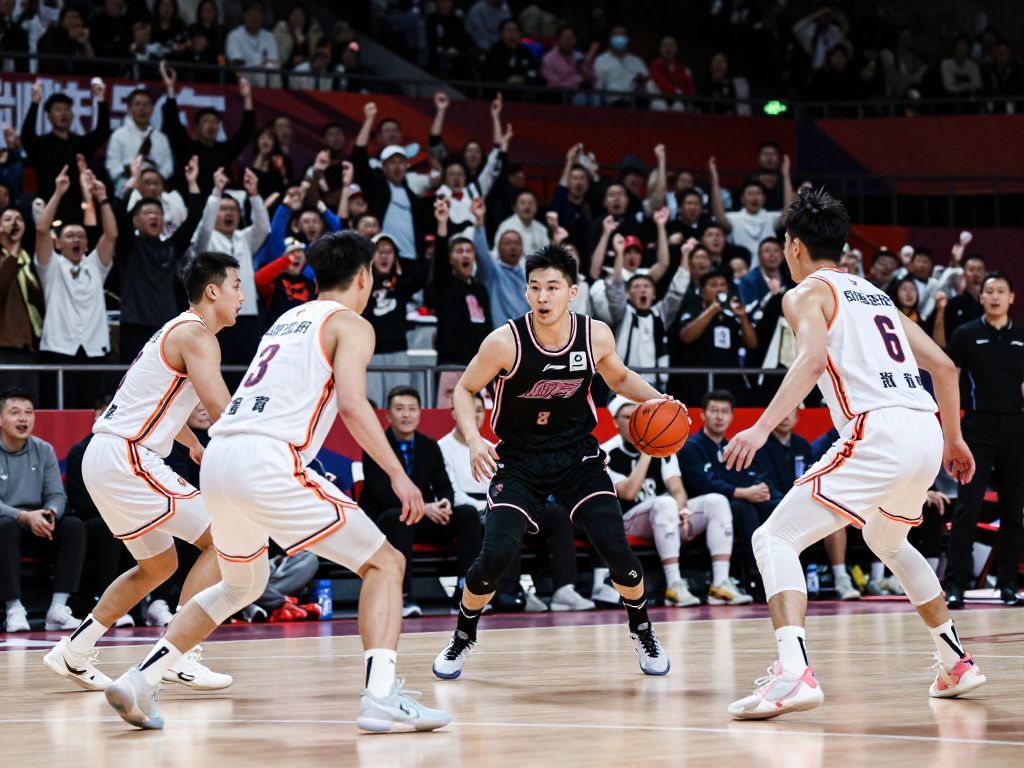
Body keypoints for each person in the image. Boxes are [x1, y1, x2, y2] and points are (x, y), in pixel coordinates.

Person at [102, 232, 451, 733]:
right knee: (385, 562)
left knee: (244, 582)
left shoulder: (286, 319)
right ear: (364, 278)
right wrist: (399, 475)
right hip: (266, 459)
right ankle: (380, 697)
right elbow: (353, 404)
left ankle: (141, 678)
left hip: (220, 457)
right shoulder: (351, 324)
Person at [722, 189, 984, 719]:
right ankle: (955, 660)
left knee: (773, 537)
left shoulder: (804, 294)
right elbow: (947, 369)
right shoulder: (875, 294)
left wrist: (759, 427)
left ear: (793, 246)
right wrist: (953, 439)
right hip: (924, 429)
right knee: (886, 537)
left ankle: (794, 674)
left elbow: (812, 362)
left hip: (878, 429)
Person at [431, 244, 671, 681]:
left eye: (553, 288)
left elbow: (617, 377)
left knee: (616, 549)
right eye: (535, 288)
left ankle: (642, 628)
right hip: (519, 459)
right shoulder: (504, 342)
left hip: (577, 455)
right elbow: (465, 390)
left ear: (572, 293)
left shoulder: (595, 335)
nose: (543, 297)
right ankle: (463, 637)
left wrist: (658, 399)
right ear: (525, 293)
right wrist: (474, 439)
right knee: (495, 555)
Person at [42, 251, 242, 694]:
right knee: (225, 538)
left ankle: (74, 651)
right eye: (236, 286)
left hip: (108, 454)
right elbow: (220, 410)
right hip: (128, 455)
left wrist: (194, 448)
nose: (241, 296)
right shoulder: (198, 335)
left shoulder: (176, 331)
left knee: (157, 566)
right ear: (213, 291)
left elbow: (163, 404)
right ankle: (178, 653)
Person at [438, 393, 594, 612]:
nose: (474, 415)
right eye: (468, 410)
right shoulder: (441, 448)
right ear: (455, 413)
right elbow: (451, 492)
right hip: (468, 513)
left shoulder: (493, 447)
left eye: (479, 410)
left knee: (556, 515)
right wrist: (492, 506)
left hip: (497, 503)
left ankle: (564, 590)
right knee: (506, 515)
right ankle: (507, 592)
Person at [603, 397, 749, 607]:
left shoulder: (664, 450)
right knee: (664, 504)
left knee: (716, 501)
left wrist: (683, 510)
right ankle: (674, 585)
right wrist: (647, 449)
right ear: (616, 421)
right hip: (628, 520)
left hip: (667, 517)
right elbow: (628, 492)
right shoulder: (606, 452)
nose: (632, 421)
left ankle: (721, 583)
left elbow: (677, 489)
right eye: (626, 417)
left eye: (636, 416)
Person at [360, 386, 483, 617]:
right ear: (388, 415)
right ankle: (404, 597)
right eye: (399, 409)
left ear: (419, 413)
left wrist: (444, 503)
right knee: (400, 517)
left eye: (411, 409)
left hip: (423, 518)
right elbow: (383, 494)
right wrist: (423, 508)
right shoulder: (374, 446)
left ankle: (465, 592)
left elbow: (444, 486)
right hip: (387, 521)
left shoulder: (429, 446)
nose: (406, 415)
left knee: (467, 514)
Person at [944, 272, 1024, 608]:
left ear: (1011, 298)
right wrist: (954, 431)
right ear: (981, 297)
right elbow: (950, 378)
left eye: (1000, 291)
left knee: (1014, 511)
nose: (994, 297)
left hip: (1017, 427)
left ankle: (1008, 585)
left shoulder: (1022, 338)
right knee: (968, 507)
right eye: (989, 291)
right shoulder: (965, 335)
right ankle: (955, 586)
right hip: (977, 428)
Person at [0, 388, 86, 633]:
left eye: (28, 412)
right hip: (8, 522)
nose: (23, 419)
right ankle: (14, 608)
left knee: (73, 526)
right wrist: (23, 516)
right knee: (4, 528)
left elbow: (57, 495)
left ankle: (58, 608)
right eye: (15, 412)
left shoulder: (44, 449)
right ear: (0, 419)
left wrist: (48, 514)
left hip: (38, 522)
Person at [34, 167, 117, 409]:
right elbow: (41, 229)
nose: (76, 240)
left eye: (81, 236)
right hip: (58, 349)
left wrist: (102, 199)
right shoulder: (51, 266)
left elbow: (111, 235)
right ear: (58, 243)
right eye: (69, 236)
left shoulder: (95, 265)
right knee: (60, 412)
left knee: (94, 414)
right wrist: (58, 193)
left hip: (95, 350)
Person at [758, 408, 860, 601]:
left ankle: (842, 579)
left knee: (834, 509)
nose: (785, 416)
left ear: (797, 417)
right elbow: (765, 484)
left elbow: (813, 479)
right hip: (773, 504)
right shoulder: (762, 445)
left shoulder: (802, 445)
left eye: (790, 412)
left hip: (801, 502)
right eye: (782, 412)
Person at [113, 156, 205, 363]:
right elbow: (117, 211)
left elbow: (193, 218)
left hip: (166, 327)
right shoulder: (128, 246)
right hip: (134, 326)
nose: (154, 216)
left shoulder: (171, 247)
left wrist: (192, 182)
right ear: (135, 220)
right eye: (147, 212)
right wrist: (132, 181)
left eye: (158, 213)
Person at [192, 167, 270, 367]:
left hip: (249, 315)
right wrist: (216, 193)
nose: (229, 213)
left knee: (248, 372)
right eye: (223, 209)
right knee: (220, 370)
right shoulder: (206, 239)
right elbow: (204, 229)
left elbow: (263, 227)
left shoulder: (244, 237)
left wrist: (254, 195)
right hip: (218, 315)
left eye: (233, 209)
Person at [20, 80, 111, 224]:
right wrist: (35, 103)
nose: (63, 114)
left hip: (78, 208)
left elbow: (102, 132)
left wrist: (100, 99)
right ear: (48, 116)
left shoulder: (81, 144)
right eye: (58, 110)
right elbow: (26, 136)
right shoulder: (41, 144)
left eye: (67, 109)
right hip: (49, 206)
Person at [159, 62, 255, 196]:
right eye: (206, 122)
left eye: (215, 122)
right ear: (196, 128)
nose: (211, 125)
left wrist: (247, 97)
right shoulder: (186, 148)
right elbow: (172, 124)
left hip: (220, 205)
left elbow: (246, 132)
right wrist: (170, 89)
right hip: (191, 202)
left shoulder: (224, 151)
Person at [709, 157, 793, 265]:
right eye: (750, 194)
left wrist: (786, 176)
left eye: (758, 194)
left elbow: (789, 211)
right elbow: (719, 216)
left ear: (764, 199)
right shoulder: (734, 218)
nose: (754, 198)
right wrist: (715, 181)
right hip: (741, 270)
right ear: (742, 199)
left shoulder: (771, 217)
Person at [105, 88, 174, 195]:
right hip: (127, 184)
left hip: (155, 186)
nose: (142, 109)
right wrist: (134, 178)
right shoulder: (118, 135)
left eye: (146, 105)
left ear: (152, 109)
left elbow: (168, 166)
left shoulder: (161, 138)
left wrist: (153, 179)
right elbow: (112, 166)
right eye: (137, 104)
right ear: (129, 109)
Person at [225, 0, 280, 87]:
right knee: (257, 72)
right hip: (244, 77)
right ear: (244, 15)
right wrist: (259, 63)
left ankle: (275, 99)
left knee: (274, 73)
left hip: (266, 77)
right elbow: (236, 62)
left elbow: (273, 62)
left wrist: (257, 63)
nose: (255, 17)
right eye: (252, 13)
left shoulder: (269, 37)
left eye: (259, 13)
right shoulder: (234, 35)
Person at [594, 25, 648, 107]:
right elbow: (598, 85)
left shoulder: (637, 61)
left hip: (634, 101)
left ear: (627, 39)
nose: (619, 39)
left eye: (622, 35)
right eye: (616, 35)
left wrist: (640, 82)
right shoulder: (601, 60)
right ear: (610, 39)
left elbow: (646, 84)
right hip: (613, 103)